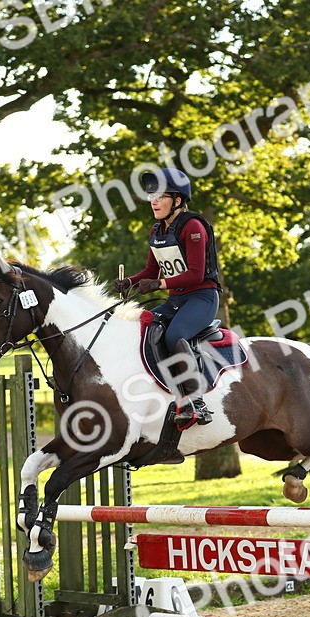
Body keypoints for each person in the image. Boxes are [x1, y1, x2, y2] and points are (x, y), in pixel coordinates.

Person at [112, 168, 221, 426]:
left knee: (174, 335)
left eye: (160, 196)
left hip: (201, 298)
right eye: (151, 196)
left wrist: (159, 284)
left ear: (178, 201)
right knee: (141, 328)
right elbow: (151, 271)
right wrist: (130, 282)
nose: (153, 201)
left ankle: (196, 401)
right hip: (176, 300)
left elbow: (195, 274)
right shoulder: (157, 230)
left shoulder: (192, 226)